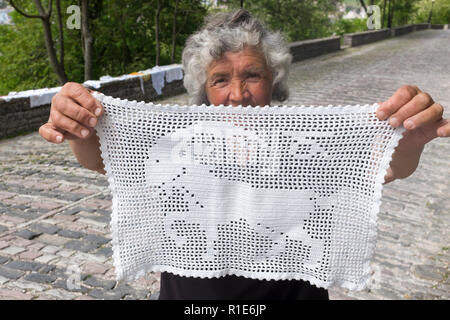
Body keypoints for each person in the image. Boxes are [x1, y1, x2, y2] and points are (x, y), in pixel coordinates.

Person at [39, 9, 449, 299]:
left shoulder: (311, 142)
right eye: (221, 80)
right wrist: (77, 120)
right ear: (204, 90)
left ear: (275, 80)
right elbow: (97, 157)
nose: (237, 95)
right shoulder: (174, 143)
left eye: (252, 74)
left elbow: (389, 166)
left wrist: (411, 137)